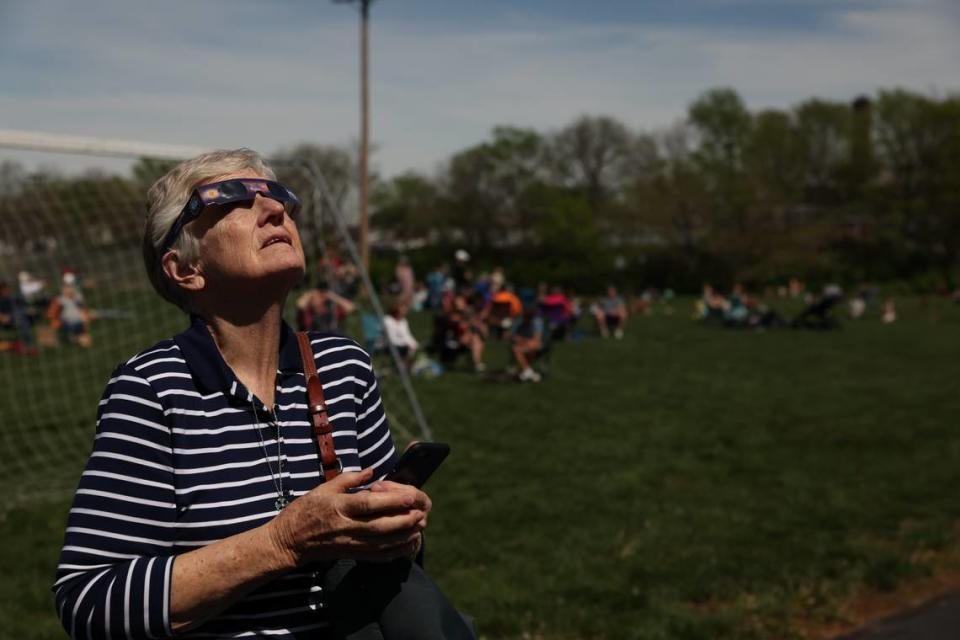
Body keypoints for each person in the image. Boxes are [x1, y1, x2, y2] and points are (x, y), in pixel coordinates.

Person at [53, 149, 472, 639]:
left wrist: (395, 529)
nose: (275, 209)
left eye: (278, 196)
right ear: (184, 268)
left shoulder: (345, 367)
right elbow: (88, 601)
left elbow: (395, 558)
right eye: (232, 198)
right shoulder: (152, 389)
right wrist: (283, 542)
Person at [383, 301, 419, 370]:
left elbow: (407, 335)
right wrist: (405, 344)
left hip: (402, 345)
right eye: (403, 309)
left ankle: (403, 366)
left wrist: (413, 344)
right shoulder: (387, 320)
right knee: (406, 349)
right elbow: (391, 338)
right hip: (389, 345)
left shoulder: (403, 321)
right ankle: (401, 366)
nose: (405, 311)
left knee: (412, 347)